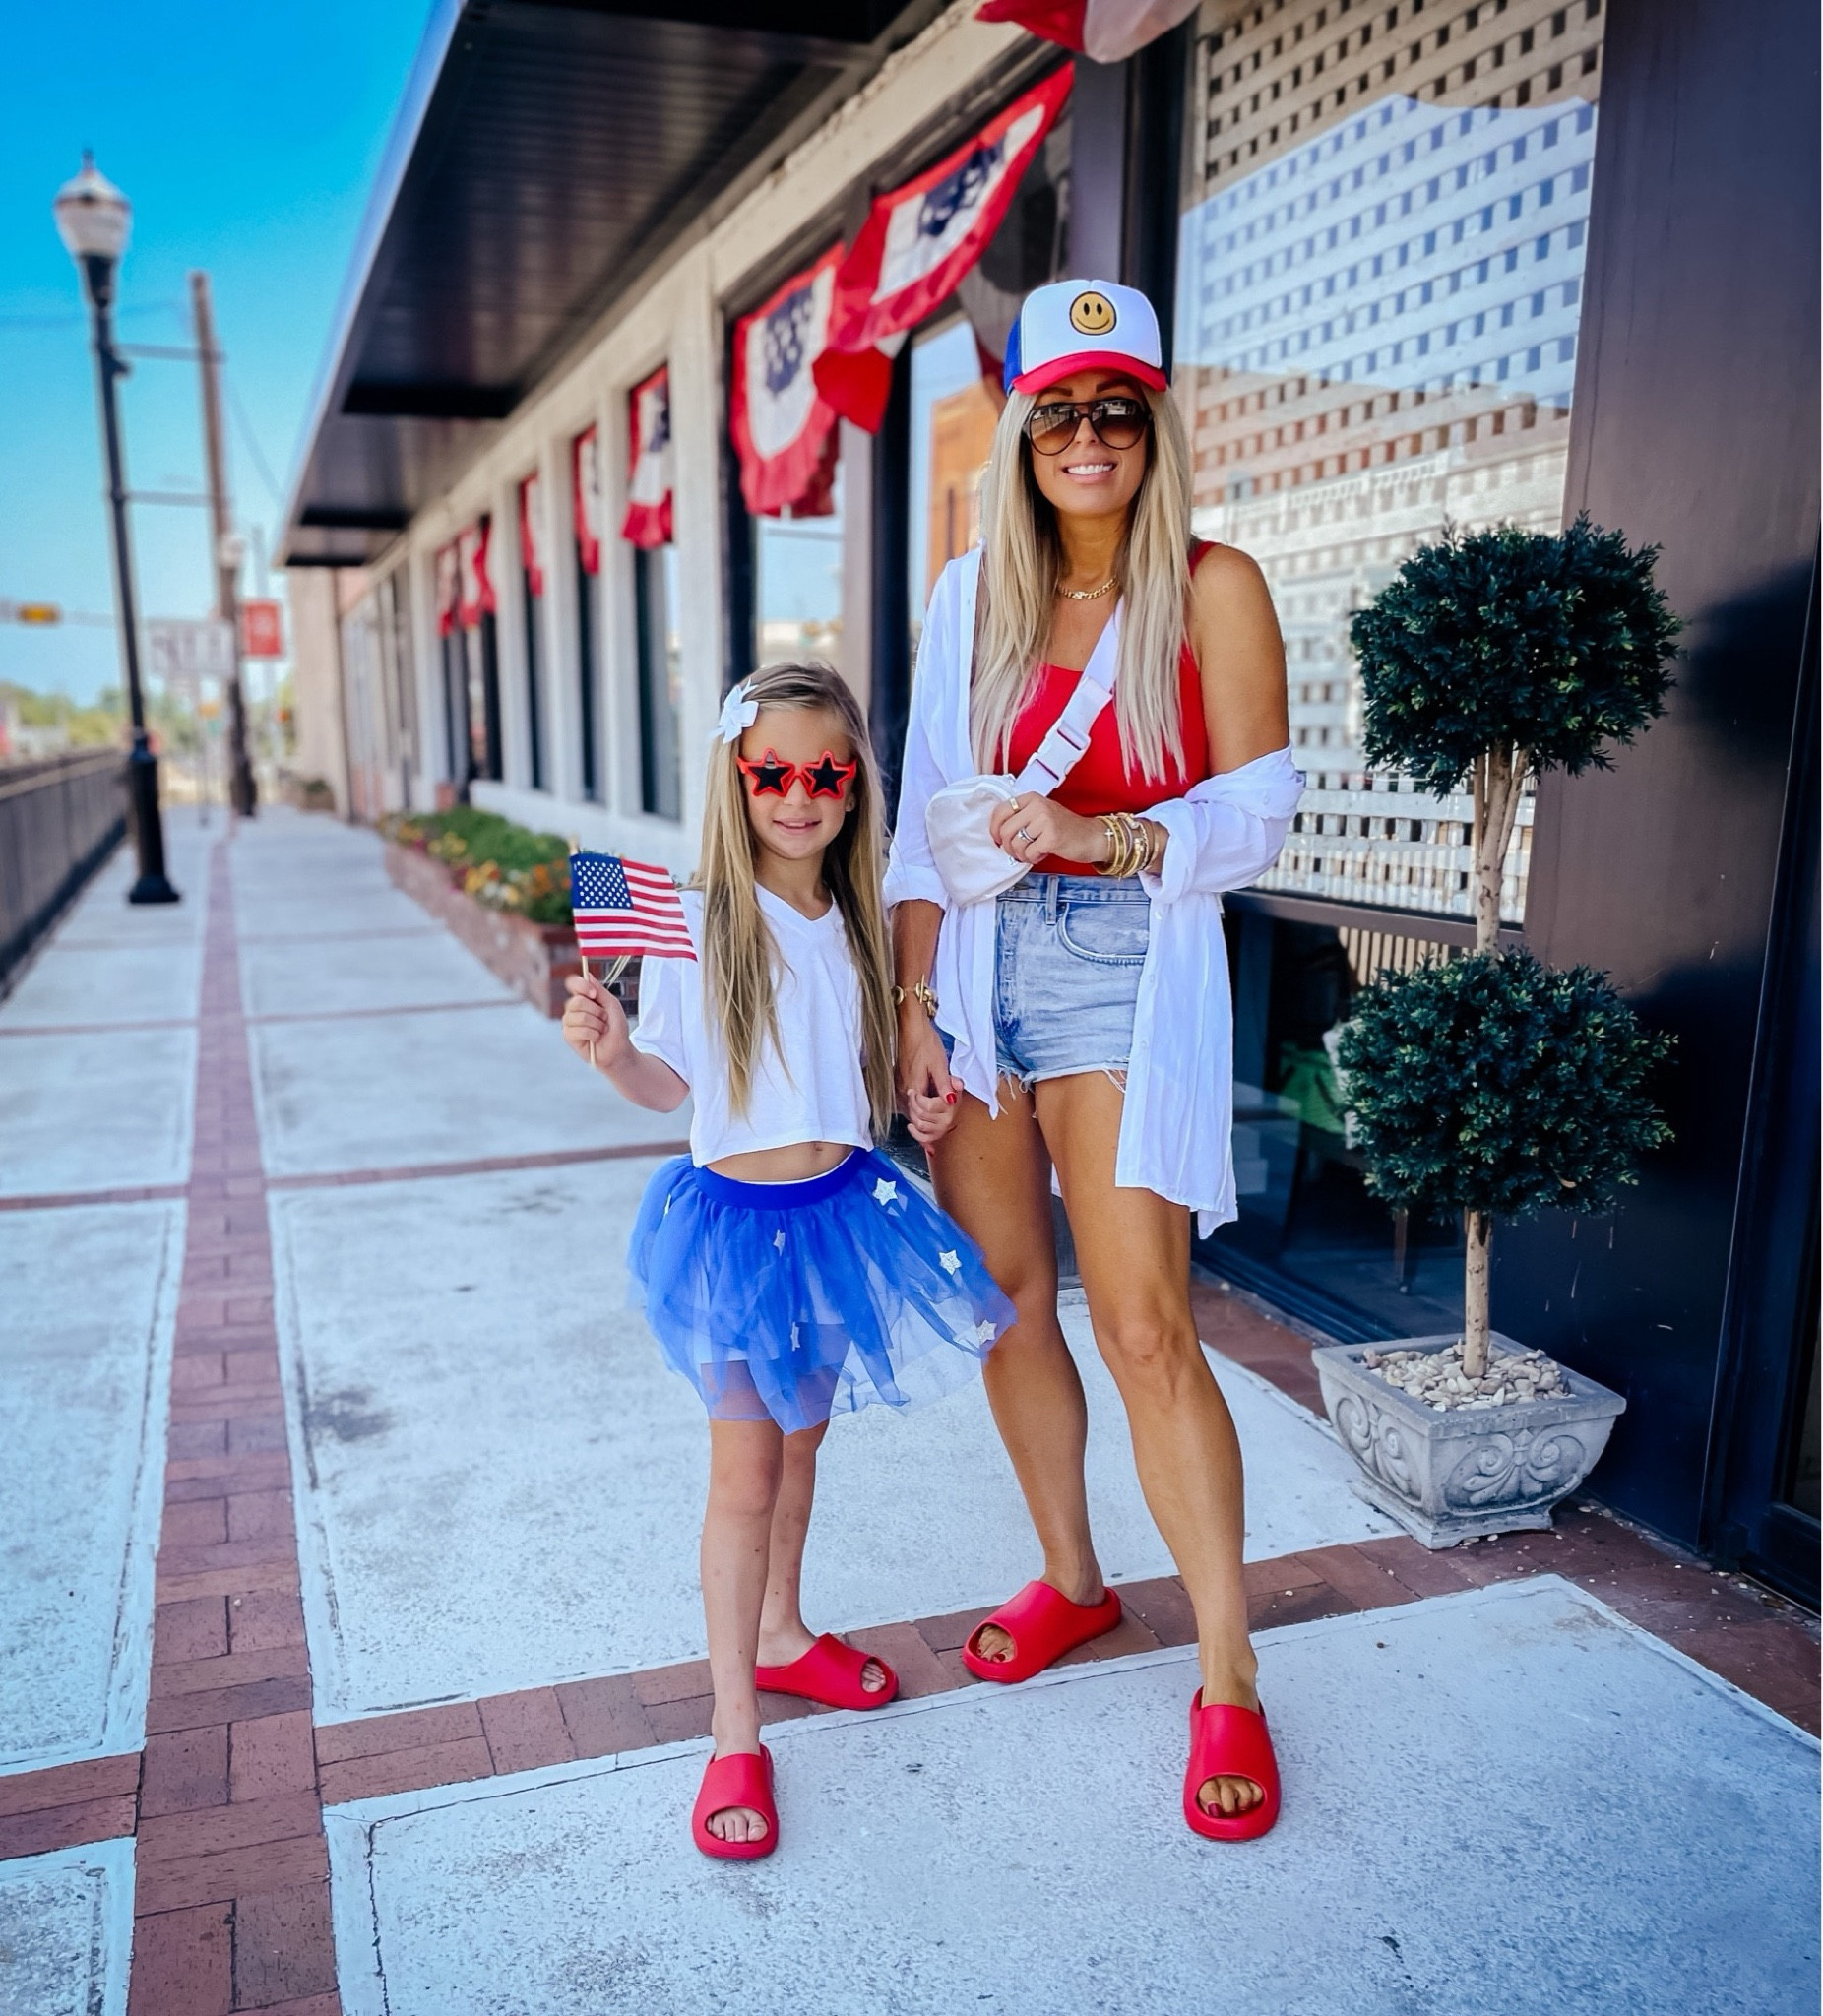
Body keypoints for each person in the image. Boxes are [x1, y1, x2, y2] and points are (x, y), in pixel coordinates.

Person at [885, 279, 1303, 1841]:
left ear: (1152, 424)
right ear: (1021, 431)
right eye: (1055, 407)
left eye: (1114, 405)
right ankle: (1075, 1578)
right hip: (980, 961)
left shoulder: (1212, 584)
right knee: (1002, 1299)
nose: (1085, 433)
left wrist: (1106, 829)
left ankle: (1228, 1674)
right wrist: (915, 1003)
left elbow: (1261, 809)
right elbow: (927, 815)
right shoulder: (961, 595)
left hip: (1125, 958)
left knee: (1142, 1326)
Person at [562, 661, 1013, 1861]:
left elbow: (848, 1078)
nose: (800, 795)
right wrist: (613, 1055)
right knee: (744, 1477)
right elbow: (677, 1086)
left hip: (838, 1214)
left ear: (855, 783)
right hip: (734, 1234)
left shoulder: (858, 925)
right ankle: (730, 1728)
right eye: (774, 773)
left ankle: (782, 1629)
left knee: (803, 1444)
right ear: (737, 776)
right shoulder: (702, 920)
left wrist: (913, 1103)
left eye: (826, 772)